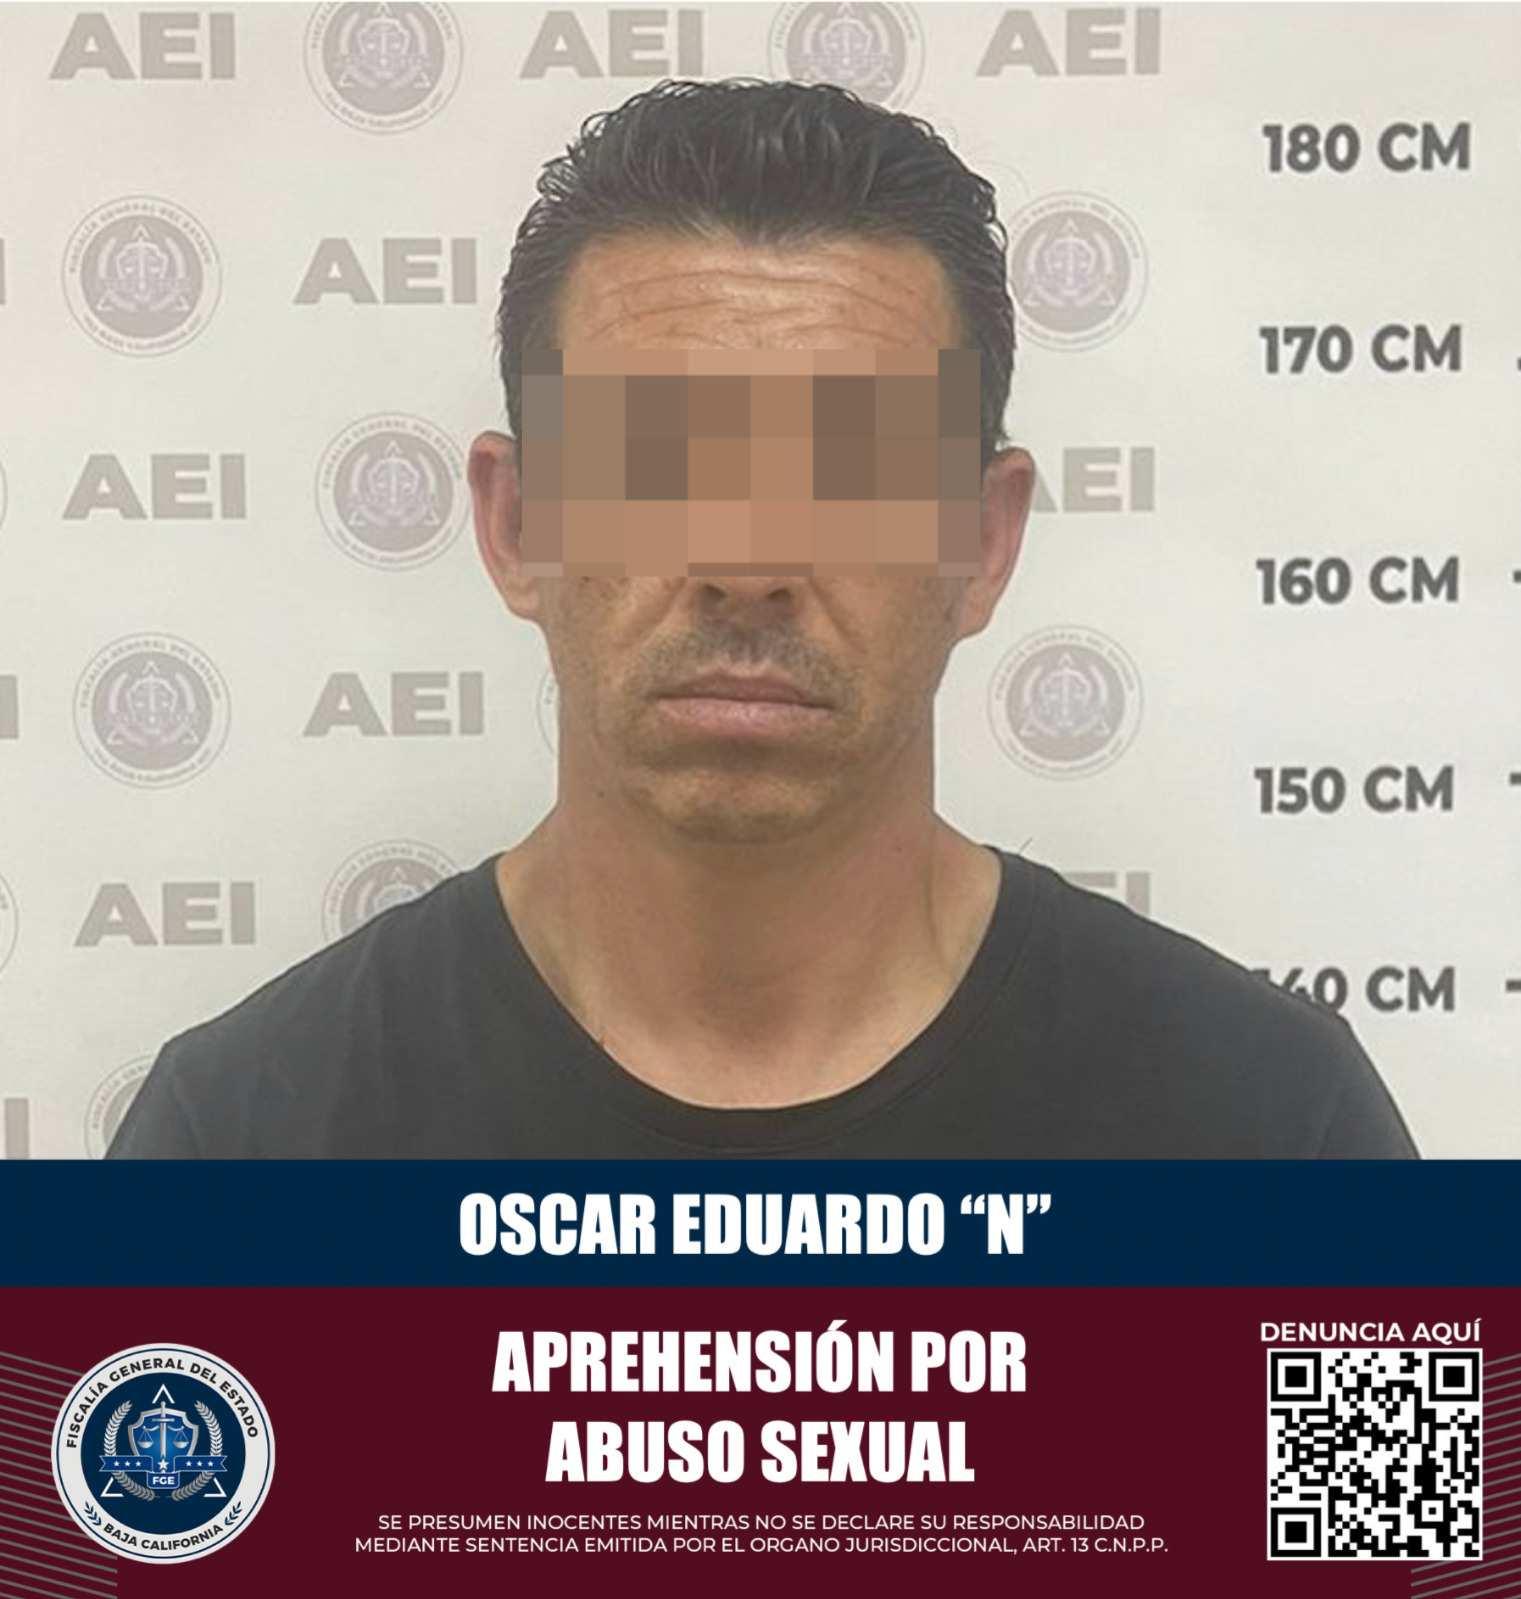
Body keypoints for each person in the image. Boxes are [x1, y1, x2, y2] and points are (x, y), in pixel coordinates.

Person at [109, 78, 1416, 1160]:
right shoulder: (241, 1146)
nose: (746, 562)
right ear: (515, 526)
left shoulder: (1270, 1134)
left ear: (981, 543)